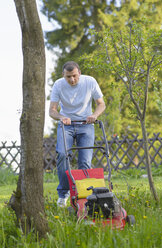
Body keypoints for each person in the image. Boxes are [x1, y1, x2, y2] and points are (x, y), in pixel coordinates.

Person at [49, 61, 106, 207]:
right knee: (62, 155)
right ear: (63, 75)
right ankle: (63, 194)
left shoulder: (90, 81)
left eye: (74, 76)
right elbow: (52, 110)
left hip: (85, 125)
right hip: (66, 126)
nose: (72, 79)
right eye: (68, 77)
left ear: (79, 73)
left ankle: (84, 196)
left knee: (85, 162)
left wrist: (94, 115)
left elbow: (101, 104)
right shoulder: (58, 85)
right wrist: (62, 117)